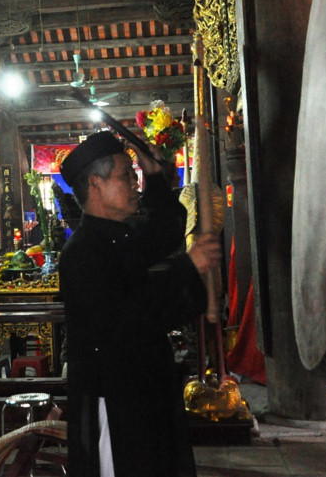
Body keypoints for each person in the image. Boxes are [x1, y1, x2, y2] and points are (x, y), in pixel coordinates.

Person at [58, 130, 222, 477]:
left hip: (149, 387)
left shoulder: (122, 237)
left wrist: (154, 175)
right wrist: (187, 266)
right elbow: (124, 317)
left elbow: (166, 230)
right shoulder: (82, 253)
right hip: (114, 399)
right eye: (125, 176)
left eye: (134, 175)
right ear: (95, 184)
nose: (134, 184)